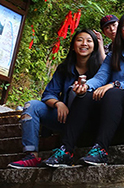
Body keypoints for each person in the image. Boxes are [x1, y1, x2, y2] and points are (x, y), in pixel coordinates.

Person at [43, 12, 124, 167]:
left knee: (113, 93)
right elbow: (100, 77)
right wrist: (85, 87)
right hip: (111, 107)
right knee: (85, 96)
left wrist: (115, 84)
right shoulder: (113, 55)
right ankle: (66, 150)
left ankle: (101, 149)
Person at [9, 29, 103, 169]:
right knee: (32, 106)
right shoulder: (64, 68)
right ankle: (31, 155)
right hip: (64, 117)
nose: (84, 44)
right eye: (80, 40)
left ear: (95, 46)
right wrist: (59, 104)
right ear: (72, 45)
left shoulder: (101, 70)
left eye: (89, 41)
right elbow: (48, 94)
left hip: (88, 122)